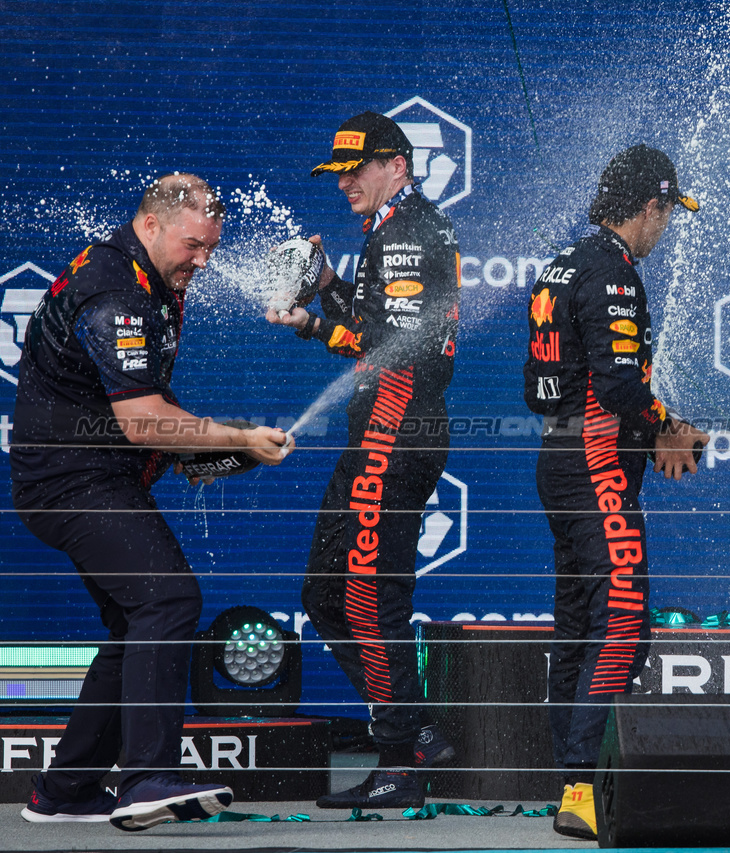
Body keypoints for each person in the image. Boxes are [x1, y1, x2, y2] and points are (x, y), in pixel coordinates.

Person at [10, 174, 291, 830]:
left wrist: (206, 453)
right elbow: (142, 419)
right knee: (168, 598)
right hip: (71, 482)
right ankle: (145, 778)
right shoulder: (115, 292)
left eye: (212, 249)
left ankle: (67, 788)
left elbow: (134, 419)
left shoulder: (146, 277)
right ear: (151, 224)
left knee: (137, 617)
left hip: (85, 475)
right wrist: (237, 437)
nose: (203, 261)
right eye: (193, 245)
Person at [267, 111, 461, 809]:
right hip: (378, 428)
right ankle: (418, 730)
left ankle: (400, 759)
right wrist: (323, 283)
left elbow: (397, 346)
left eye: (358, 168)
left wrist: (318, 322)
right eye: (338, 171)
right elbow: (380, 324)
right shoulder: (393, 228)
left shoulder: (408, 231)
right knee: (325, 594)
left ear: (397, 166)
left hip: (397, 426)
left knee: (368, 596)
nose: (345, 181)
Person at [523, 144, 709, 840]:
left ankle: (574, 785)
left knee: (579, 623)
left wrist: (641, 428)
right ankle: (583, 787)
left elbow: (536, 388)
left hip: (563, 455)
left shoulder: (563, 262)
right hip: (596, 458)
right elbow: (621, 387)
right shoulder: (613, 273)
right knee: (623, 621)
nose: (666, 230)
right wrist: (669, 426)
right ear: (651, 206)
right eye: (667, 214)